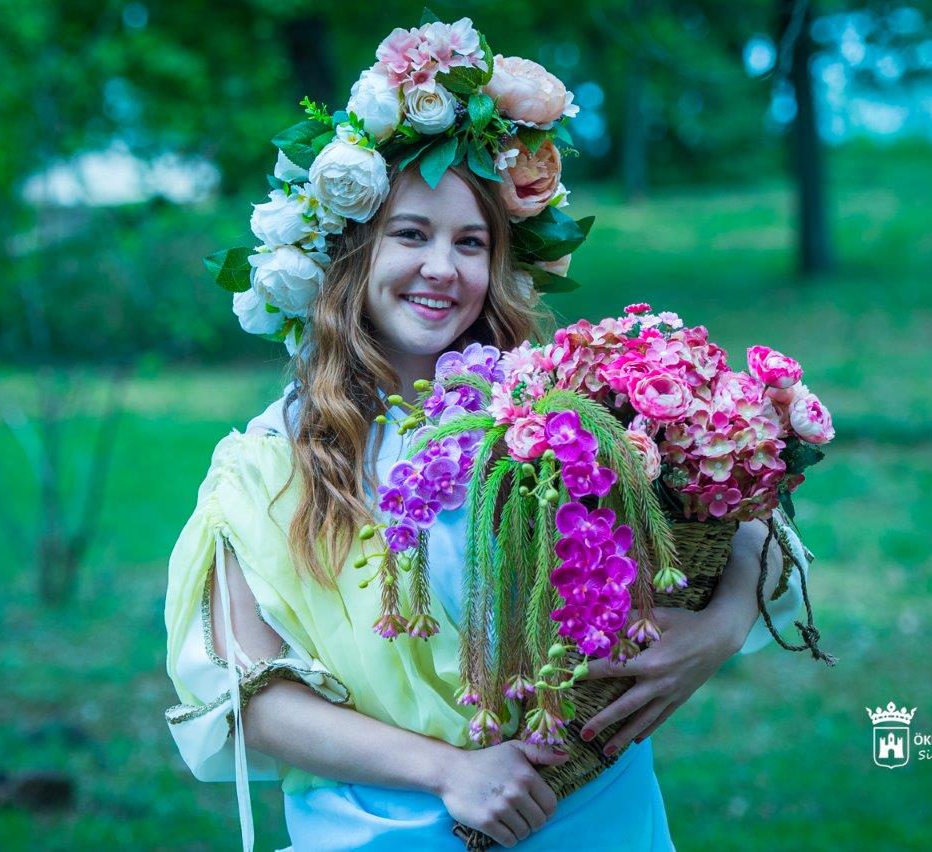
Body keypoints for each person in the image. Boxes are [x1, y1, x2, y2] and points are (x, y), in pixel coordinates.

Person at [164, 18, 814, 852]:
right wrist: (450, 771)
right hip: (386, 830)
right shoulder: (265, 466)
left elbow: (739, 514)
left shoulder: (561, 405)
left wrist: (716, 632)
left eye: (470, 243)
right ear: (349, 257)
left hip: (592, 815)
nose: (442, 268)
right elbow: (248, 695)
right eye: (410, 235)